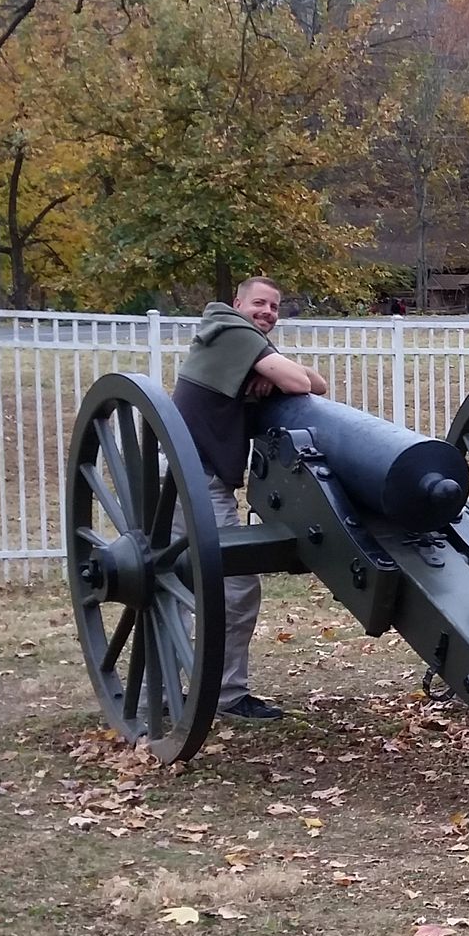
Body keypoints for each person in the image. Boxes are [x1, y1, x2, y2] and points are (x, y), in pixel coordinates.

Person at [172, 276, 328, 720]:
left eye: (275, 307)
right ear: (236, 303)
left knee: (179, 586)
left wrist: (266, 369)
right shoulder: (232, 332)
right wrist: (275, 370)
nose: (268, 313)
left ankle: (169, 690)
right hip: (194, 477)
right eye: (260, 303)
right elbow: (300, 382)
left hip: (192, 474)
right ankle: (224, 694)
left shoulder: (230, 337)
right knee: (234, 587)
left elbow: (317, 383)